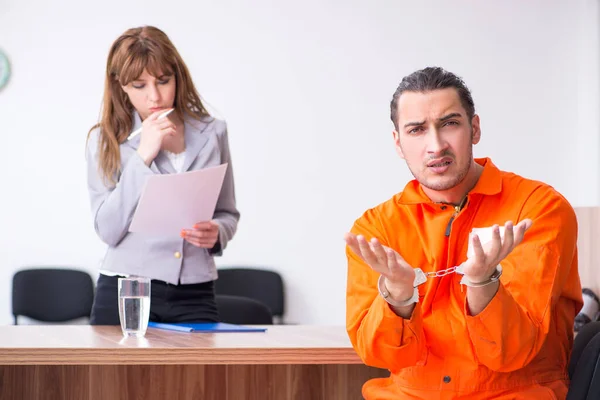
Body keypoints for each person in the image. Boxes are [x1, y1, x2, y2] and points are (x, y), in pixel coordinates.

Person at [344, 67, 583, 399]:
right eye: (416, 130)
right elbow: (380, 356)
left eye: (449, 124)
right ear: (398, 143)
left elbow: (511, 353)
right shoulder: (375, 228)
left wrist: (484, 284)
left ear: (475, 128)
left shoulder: (537, 209)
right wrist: (398, 297)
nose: (436, 146)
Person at [86, 26, 239, 325]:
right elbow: (107, 229)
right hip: (125, 290)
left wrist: (217, 232)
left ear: (177, 76)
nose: (154, 96)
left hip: (194, 291)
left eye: (163, 81)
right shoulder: (104, 141)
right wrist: (143, 156)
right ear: (122, 86)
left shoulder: (213, 132)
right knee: (115, 375)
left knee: (202, 374)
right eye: (139, 85)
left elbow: (227, 212)